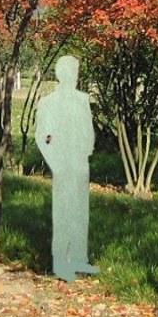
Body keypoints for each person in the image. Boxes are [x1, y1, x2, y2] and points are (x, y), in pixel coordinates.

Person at [35, 55, 98, 282]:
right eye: (70, 71)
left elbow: (88, 130)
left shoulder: (82, 100)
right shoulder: (48, 103)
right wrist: (55, 161)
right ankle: (62, 263)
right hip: (62, 163)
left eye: (76, 71)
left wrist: (87, 150)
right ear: (61, 74)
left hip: (80, 162)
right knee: (62, 211)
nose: (74, 75)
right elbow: (43, 137)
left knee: (80, 211)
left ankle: (79, 259)